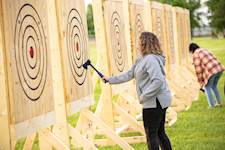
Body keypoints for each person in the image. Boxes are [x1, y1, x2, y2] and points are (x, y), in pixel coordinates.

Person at [103, 32, 172, 150]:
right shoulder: (142, 59)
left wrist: (144, 96)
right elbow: (130, 74)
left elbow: (158, 81)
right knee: (159, 133)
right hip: (156, 101)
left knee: (152, 135)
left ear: (144, 43)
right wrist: (110, 79)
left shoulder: (150, 59)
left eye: (139, 41)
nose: (137, 44)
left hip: (155, 102)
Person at [189, 43, 224, 108]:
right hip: (219, 69)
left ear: (191, 50)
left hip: (212, 71)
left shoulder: (196, 54)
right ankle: (219, 103)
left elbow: (198, 69)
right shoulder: (204, 49)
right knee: (214, 86)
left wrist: (200, 81)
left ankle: (211, 106)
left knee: (207, 88)